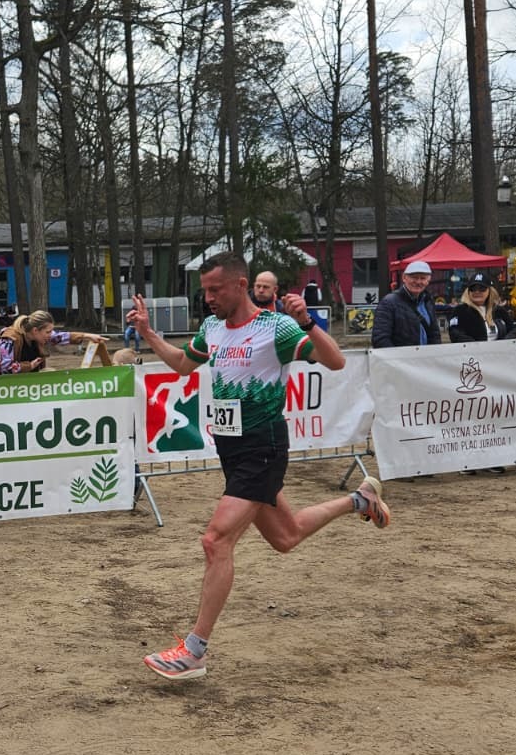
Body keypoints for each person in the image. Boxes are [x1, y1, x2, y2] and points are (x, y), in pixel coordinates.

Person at [127, 253, 389, 682]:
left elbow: (336, 362)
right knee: (286, 536)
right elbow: (182, 364)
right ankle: (359, 500)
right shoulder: (212, 328)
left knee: (216, 541)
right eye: (205, 290)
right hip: (232, 453)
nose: (208, 298)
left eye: (215, 290)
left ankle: (194, 651)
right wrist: (148, 332)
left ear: (241, 285)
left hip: (262, 449)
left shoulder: (276, 327)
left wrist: (308, 323)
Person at [0, 309, 107, 372]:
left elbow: (60, 337)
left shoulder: (36, 337)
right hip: (5, 387)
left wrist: (87, 336)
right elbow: (4, 367)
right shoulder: (10, 339)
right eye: (48, 332)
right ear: (35, 330)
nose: (50, 335)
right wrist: (29, 366)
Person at [371, 260, 443, 348]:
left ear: (428, 281)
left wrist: (435, 352)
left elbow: (434, 334)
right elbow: (380, 339)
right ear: (404, 278)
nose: (418, 282)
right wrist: (398, 356)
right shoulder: (388, 303)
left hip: (425, 356)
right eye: (414, 277)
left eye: (423, 278)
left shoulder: (428, 301)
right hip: (400, 356)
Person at [446, 272, 516, 343]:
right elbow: (455, 333)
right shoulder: (460, 310)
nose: (477, 292)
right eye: (473, 288)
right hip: (471, 349)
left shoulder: (499, 310)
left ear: (490, 291)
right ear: (468, 291)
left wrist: (505, 343)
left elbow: (512, 330)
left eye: (482, 288)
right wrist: (477, 346)